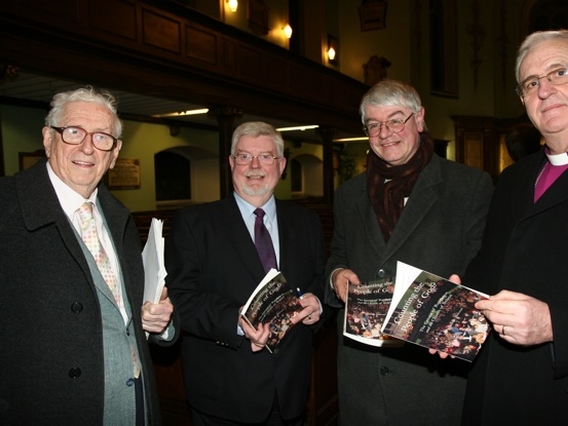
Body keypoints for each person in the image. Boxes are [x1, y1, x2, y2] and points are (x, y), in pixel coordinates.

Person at [456, 29, 568, 424]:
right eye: (531, 83)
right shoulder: (512, 180)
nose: (545, 90)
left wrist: (556, 325)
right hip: (493, 399)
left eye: (560, 72)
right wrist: (459, 303)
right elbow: (491, 266)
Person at [0, 87, 176, 425]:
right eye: (74, 132)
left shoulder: (118, 217)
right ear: (48, 139)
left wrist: (159, 322)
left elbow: (130, 311)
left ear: (114, 153)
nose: (87, 147)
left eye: (101, 137)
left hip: (134, 408)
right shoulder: (7, 209)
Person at [325, 79, 494, 425]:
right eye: (373, 124)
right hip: (362, 378)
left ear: (419, 119)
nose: (384, 132)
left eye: (395, 119)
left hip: (433, 376)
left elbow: (485, 269)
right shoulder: (348, 194)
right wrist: (336, 274)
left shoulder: (469, 186)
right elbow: (337, 254)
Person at [165, 121, 326, 425]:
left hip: (291, 392)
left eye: (266, 157)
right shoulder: (194, 223)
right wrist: (234, 321)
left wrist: (317, 303)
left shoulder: (306, 222)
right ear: (230, 163)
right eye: (244, 157)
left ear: (281, 165)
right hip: (224, 396)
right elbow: (182, 300)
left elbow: (319, 279)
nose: (254, 166)